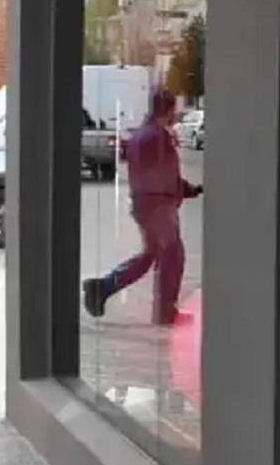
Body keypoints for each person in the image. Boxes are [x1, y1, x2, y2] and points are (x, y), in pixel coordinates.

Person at [83, 89, 202, 325]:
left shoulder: (142, 135)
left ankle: (104, 287)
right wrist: (187, 190)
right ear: (167, 109)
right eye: (173, 108)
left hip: (146, 203)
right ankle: (165, 311)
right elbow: (166, 176)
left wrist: (186, 189)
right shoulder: (158, 137)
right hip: (158, 205)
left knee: (152, 254)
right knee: (172, 255)